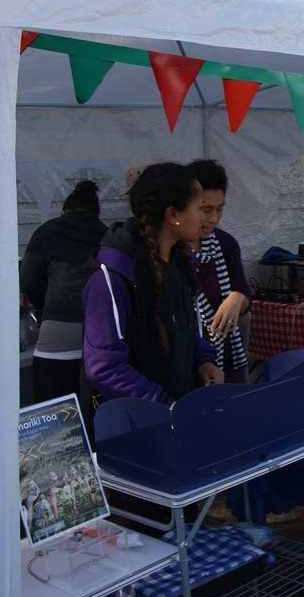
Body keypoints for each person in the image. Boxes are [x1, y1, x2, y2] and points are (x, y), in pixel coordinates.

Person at [82, 162, 221, 409]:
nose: (209, 218)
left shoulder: (181, 263)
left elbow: (185, 330)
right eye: (201, 209)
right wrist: (163, 405)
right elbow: (104, 367)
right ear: (173, 216)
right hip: (135, 428)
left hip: (179, 416)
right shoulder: (112, 275)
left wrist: (203, 360)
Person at [19, 180, 107, 404]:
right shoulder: (106, 235)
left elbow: (28, 280)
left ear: (64, 211)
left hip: (57, 331)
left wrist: (44, 307)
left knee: (54, 413)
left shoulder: (46, 232)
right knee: (94, 411)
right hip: (101, 332)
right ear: (95, 213)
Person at [187, 159, 251, 384]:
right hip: (190, 362)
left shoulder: (225, 244)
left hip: (228, 357)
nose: (213, 218)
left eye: (220, 209)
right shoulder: (172, 250)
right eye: (206, 210)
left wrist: (237, 298)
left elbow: (244, 294)